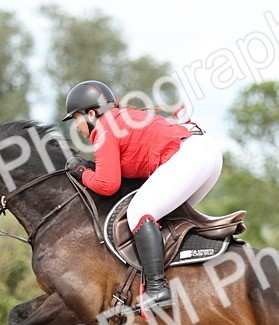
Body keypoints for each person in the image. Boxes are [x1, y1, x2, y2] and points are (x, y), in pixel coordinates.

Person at [60, 80, 223, 311]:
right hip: (207, 154)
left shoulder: (105, 128)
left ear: (91, 113)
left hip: (192, 156)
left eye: (76, 119)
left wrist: (80, 171)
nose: (76, 127)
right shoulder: (120, 119)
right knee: (166, 220)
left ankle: (157, 289)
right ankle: (182, 280)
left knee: (138, 213)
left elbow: (108, 185)